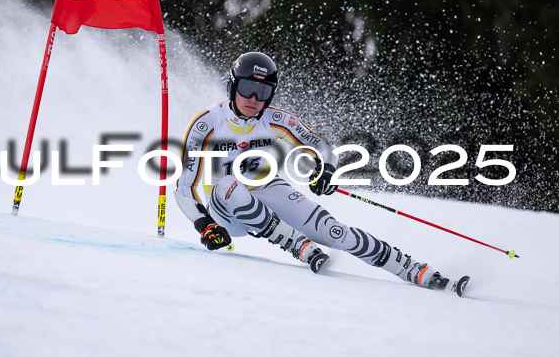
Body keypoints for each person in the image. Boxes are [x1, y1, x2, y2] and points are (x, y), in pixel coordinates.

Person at [174, 52, 450, 290]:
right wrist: (205, 224)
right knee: (229, 185)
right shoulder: (207, 123)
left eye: (264, 92)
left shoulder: (276, 119)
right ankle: (298, 246)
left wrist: (326, 169)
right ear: (232, 86)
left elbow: (321, 147)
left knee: (334, 232)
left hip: (265, 191)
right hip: (226, 211)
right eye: (247, 88)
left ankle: (413, 270)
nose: (254, 99)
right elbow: (184, 188)